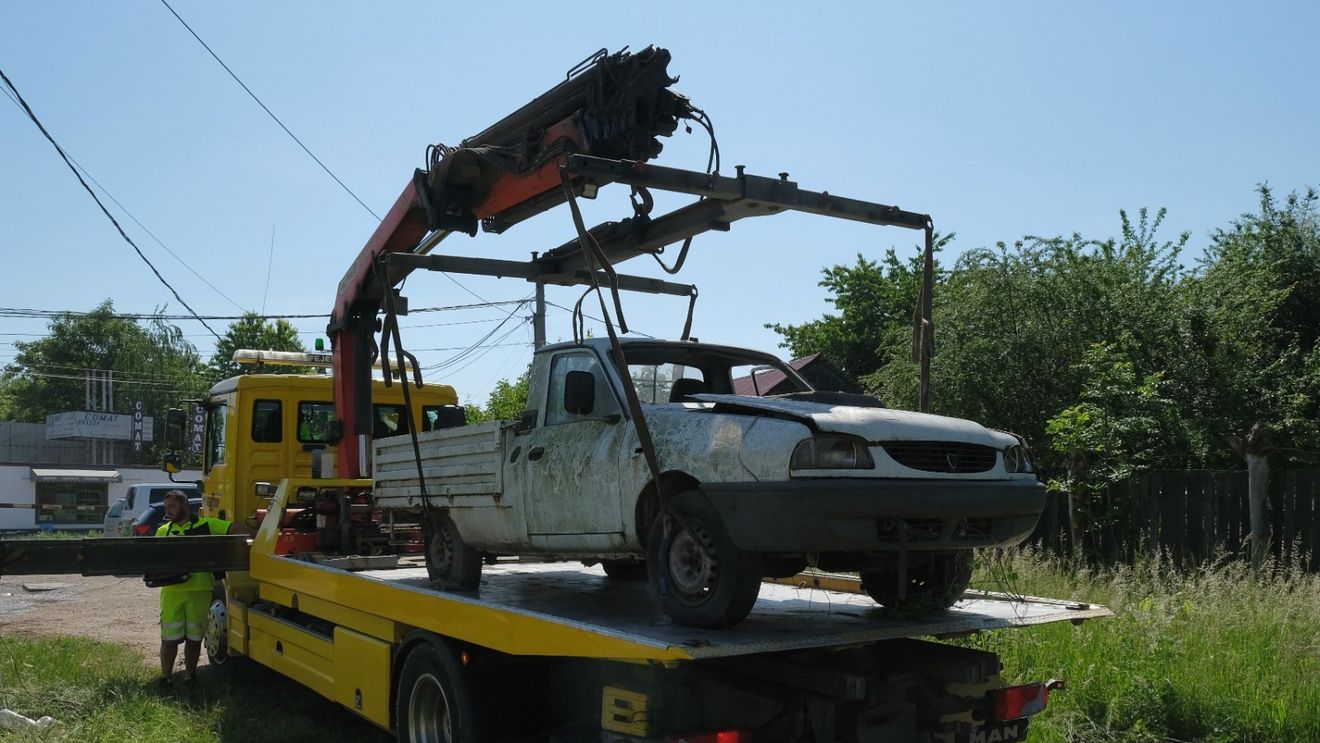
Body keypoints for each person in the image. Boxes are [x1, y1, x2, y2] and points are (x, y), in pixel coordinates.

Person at [154, 489, 231, 687]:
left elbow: (232, 528)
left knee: (195, 638)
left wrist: (264, 531)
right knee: (169, 640)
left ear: (184, 504)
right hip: (172, 592)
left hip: (200, 590)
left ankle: (190, 677)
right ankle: (166, 678)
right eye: (166, 507)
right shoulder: (163, 531)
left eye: (172, 506)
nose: (168, 511)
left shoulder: (207, 524)